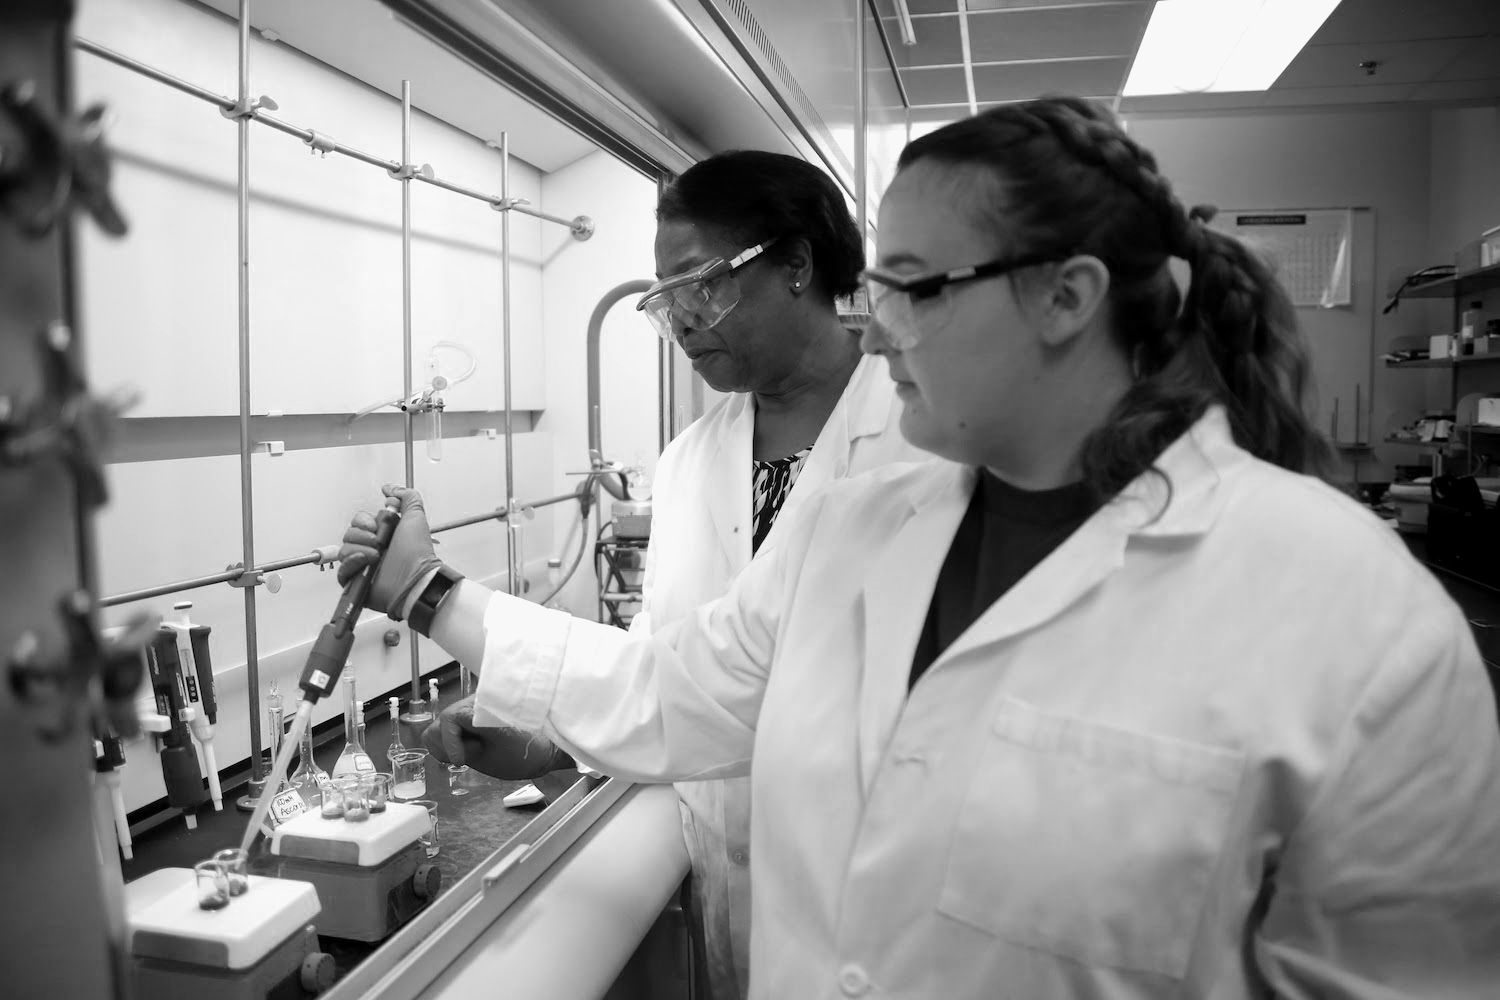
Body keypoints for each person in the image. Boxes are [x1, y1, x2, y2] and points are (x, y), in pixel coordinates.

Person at [341, 97, 1500, 998]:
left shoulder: (1361, 621)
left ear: (1067, 298)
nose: (872, 317)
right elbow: (674, 687)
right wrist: (438, 596)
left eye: (912, 286)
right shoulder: (854, 527)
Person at [419, 150, 926, 1000]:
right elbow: (673, 664)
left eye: (701, 285)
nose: (683, 320)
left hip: (882, 902)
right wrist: (548, 742)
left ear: (797, 265)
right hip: (735, 893)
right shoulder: (691, 462)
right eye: (665, 301)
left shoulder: (918, 441)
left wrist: (432, 599)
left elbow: (745, 684)